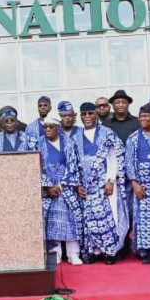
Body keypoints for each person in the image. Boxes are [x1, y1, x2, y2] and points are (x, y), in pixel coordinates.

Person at [72, 102, 129, 265]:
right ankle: (94, 251)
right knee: (89, 219)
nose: (87, 117)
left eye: (90, 113)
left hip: (105, 184)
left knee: (108, 216)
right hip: (86, 185)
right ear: (80, 116)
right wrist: (77, 185)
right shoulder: (76, 136)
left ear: (96, 114)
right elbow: (73, 162)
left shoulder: (106, 133)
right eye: (84, 114)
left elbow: (114, 156)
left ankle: (110, 251)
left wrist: (111, 180)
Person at [36, 114, 84, 265]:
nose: (48, 130)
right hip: (47, 190)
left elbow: (73, 166)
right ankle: (55, 253)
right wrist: (48, 187)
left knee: (71, 220)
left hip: (66, 188)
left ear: (58, 128)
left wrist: (61, 185)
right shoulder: (38, 144)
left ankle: (73, 253)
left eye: (51, 127)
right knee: (51, 221)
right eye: (45, 127)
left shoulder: (69, 143)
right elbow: (34, 167)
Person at [125, 104, 150, 264]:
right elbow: (129, 162)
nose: (142, 119)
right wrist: (135, 184)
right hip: (142, 185)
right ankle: (147, 251)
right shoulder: (133, 138)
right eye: (141, 116)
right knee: (144, 219)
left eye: (147, 116)